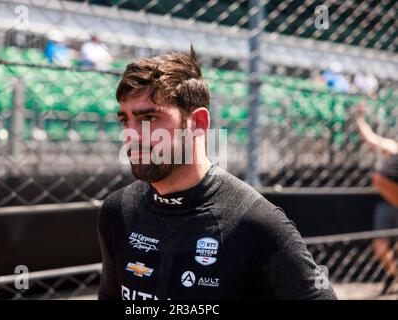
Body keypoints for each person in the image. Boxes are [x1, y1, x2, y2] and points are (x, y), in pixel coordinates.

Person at [97, 47, 337, 300]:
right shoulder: (118, 210)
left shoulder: (256, 223)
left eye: (149, 118)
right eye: (125, 120)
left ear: (198, 123)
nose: (131, 135)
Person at [355, 102, 398, 295]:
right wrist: (359, 118)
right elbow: (371, 139)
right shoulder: (394, 149)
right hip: (389, 202)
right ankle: (394, 276)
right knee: (380, 244)